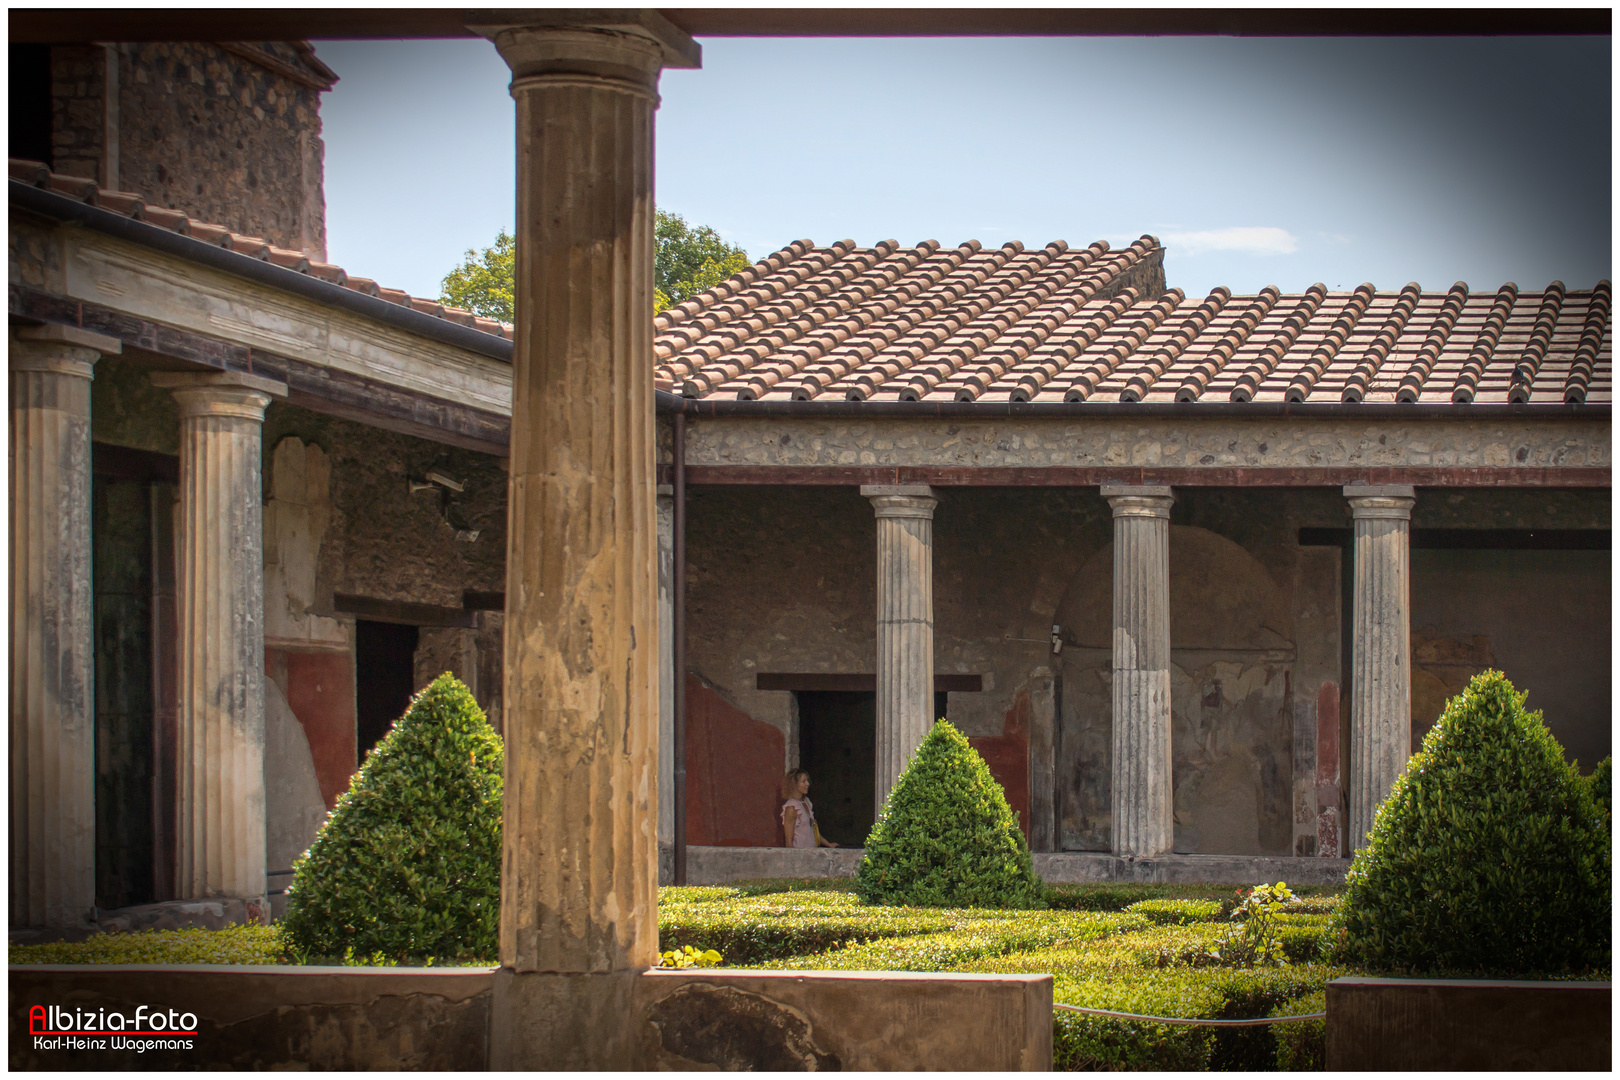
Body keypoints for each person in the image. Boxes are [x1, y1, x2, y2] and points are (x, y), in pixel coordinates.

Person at [780, 769, 838, 849]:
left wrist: (828, 844)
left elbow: (813, 830)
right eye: (803, 781)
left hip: (811, 852)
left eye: (807, 781)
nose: (807, 784)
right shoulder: (791, 808)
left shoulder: (807, 802)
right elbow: (789, 839)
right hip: (800, 854)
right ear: (794, 784)